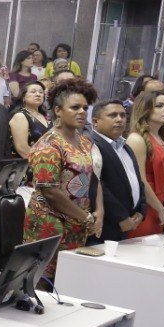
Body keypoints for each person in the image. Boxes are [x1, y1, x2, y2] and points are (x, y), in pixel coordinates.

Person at [24, 78, 100, 280]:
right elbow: (50, 191)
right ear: (58, 110)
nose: (82, 112)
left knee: (69, 279)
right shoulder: (48, 144)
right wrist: (85, 217)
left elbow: (95, 176)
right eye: (75, 107)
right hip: (50, 223)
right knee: (43, 280)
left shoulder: (85, 142)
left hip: (78, 221)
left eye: (85, 108)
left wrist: (97, 212)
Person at [89, 99, 145, 243]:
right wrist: (120, 217)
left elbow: (137, 181)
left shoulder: (125, 146)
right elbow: (97, 184)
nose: (119, 119)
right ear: (95, 122)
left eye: (122, 115)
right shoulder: (90, 145)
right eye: (112, 115)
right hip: (105, 224)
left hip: (129, 222)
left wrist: (141, 210)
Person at [125, 89, 164, 238]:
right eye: (160, 106)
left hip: (162, 204)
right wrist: (160, 209)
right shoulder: (137, 139)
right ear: (146, 108)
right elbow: (140, 180)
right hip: (146, 206)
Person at [9, 81, 50, 160]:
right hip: (31, 165)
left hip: (51, 163)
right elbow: (21, 147)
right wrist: (42, 164)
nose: (38, 94)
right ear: (23, 97)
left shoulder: (46, 116)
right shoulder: (20, 116)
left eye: (41, 92)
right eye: (33, 92)